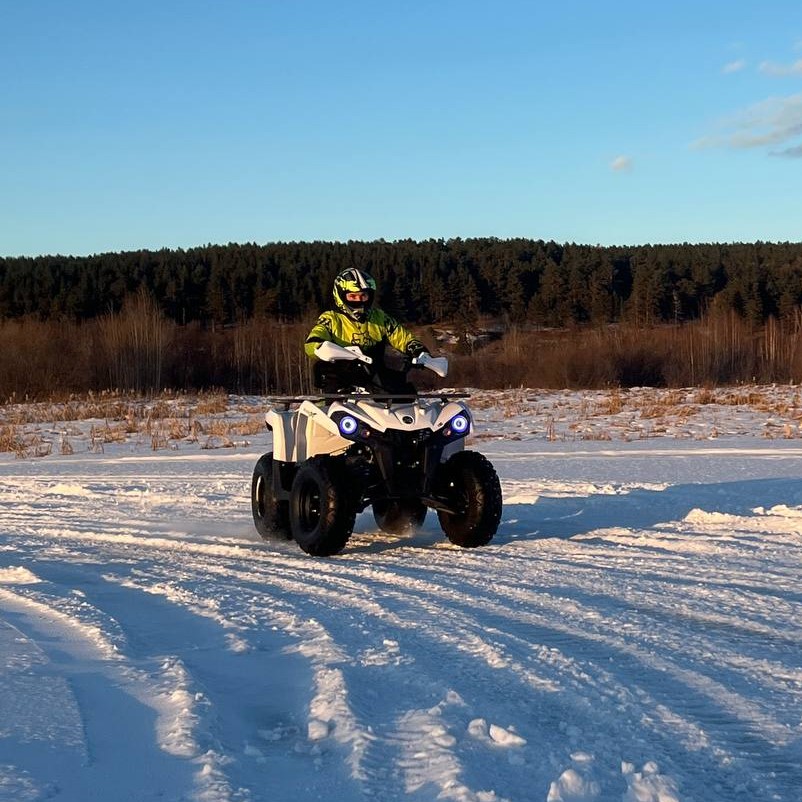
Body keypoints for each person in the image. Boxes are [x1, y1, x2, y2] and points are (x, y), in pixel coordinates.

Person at [304, 268, 429, 394]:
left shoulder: (380, 318)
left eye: (363, 296)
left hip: (375, 377)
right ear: (341, 296)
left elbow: (402, 337)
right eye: (353, 296)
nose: (359, 300)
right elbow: (313, 340)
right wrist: (319, 346)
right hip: (342, 379)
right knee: (331, 382)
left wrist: (417, 349)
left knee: (406, 393)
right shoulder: (331, 319)